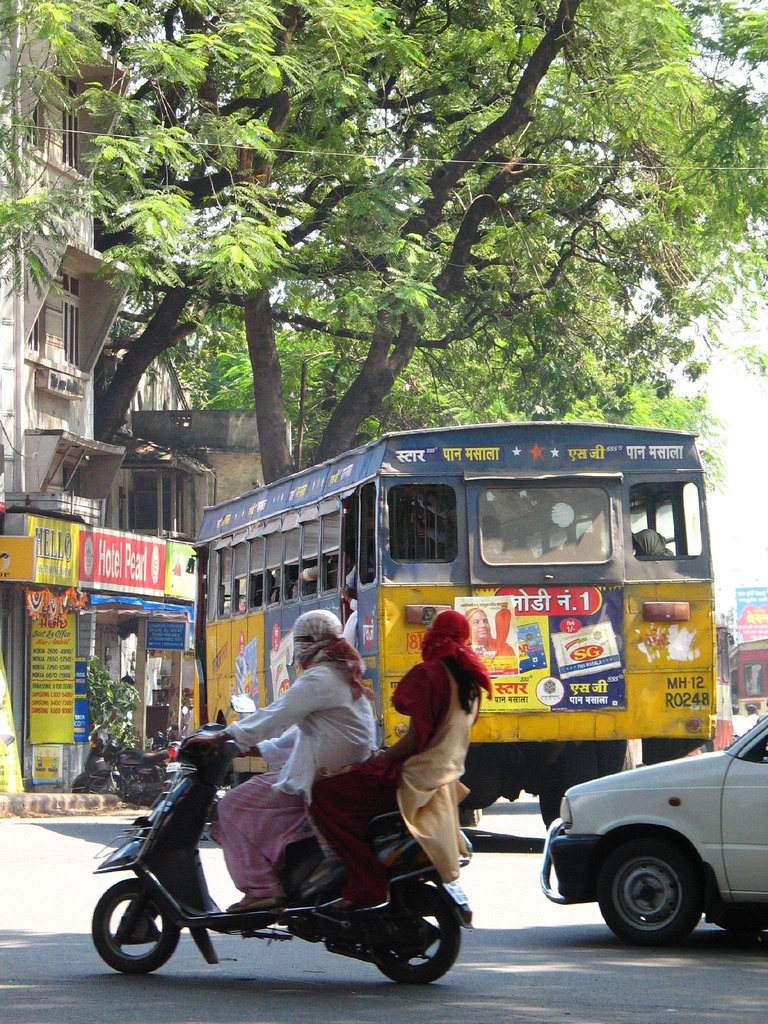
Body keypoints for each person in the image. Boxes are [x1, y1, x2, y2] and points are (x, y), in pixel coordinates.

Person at [188, 610, 376, 912]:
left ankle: (261, 888)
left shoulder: (320, 678)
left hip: (321, 778)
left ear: (309, 643)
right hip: (330, 773)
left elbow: (276, 714)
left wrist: (223, 736)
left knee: (232, 806)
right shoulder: (341, 674)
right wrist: (256, 749)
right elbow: (309, 734)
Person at [310, 609, 491, 908]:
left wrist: (380, 758)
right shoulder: (471, 681)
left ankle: (367, 883)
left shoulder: (431, 674)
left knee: (324, 796)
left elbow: (414, 740)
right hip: (442, 778)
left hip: (414, 778)